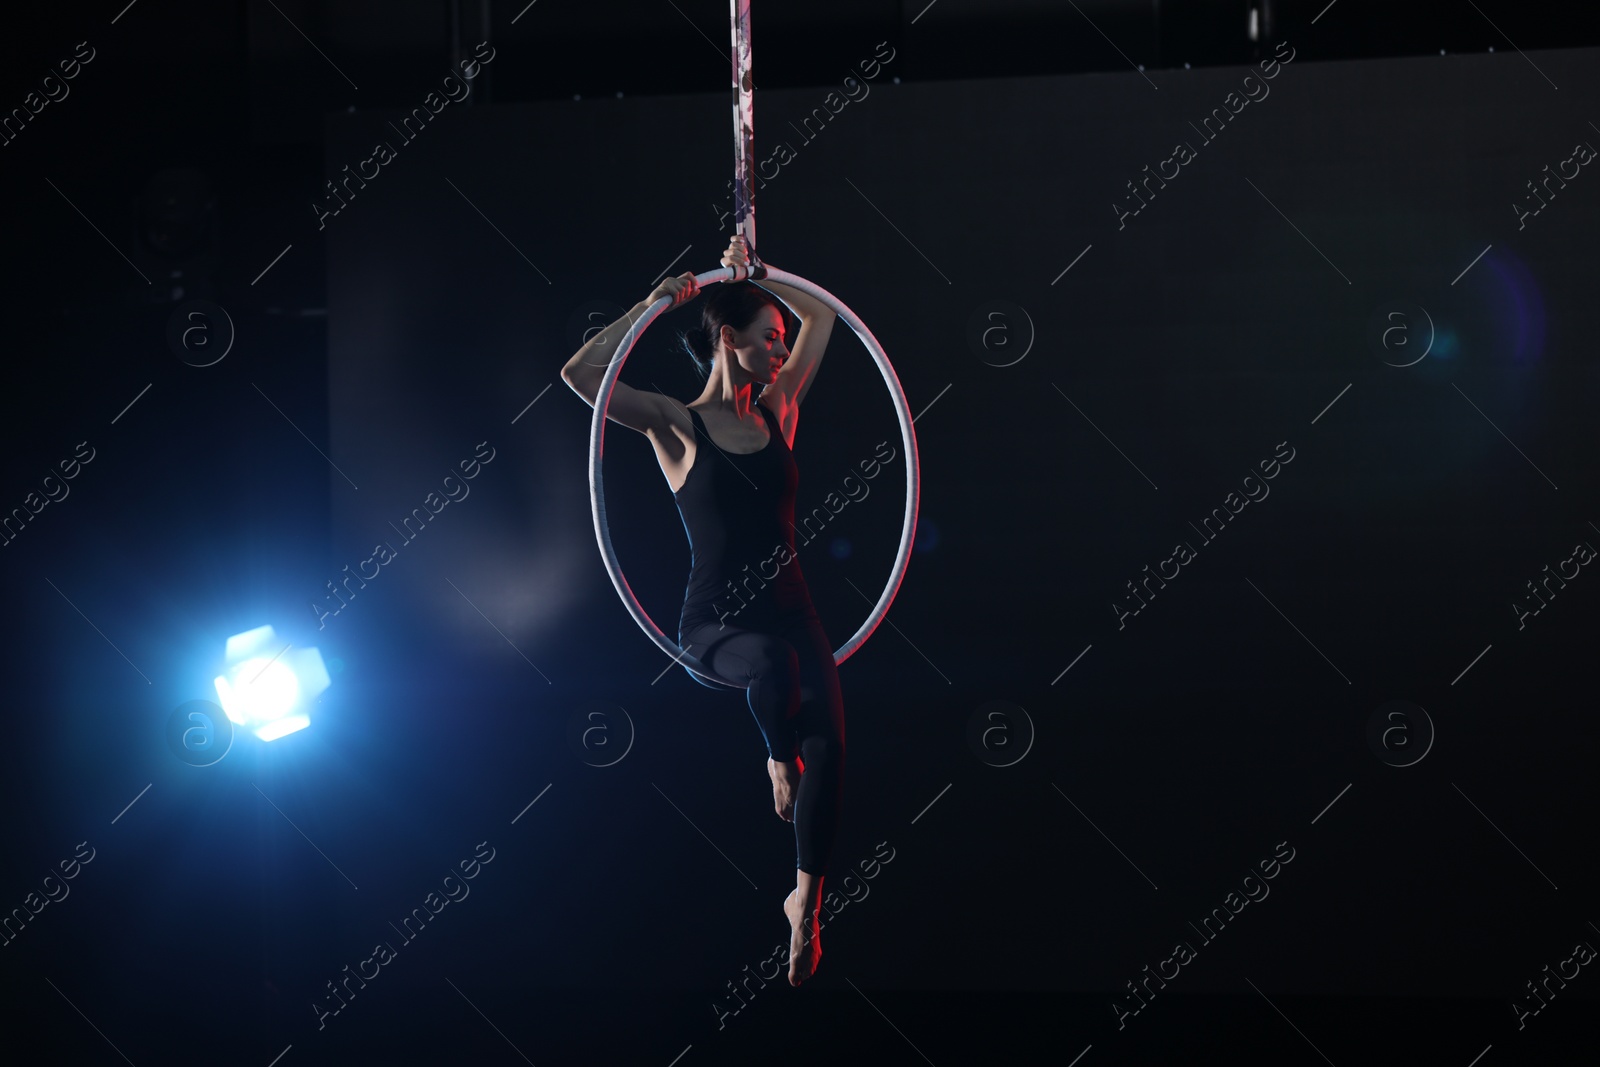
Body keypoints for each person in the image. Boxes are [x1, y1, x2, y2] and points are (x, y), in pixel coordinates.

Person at [559, 235, 843, 985]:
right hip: (716, 626)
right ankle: (777, 757)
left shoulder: (780, 408)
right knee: (775, 673)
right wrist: (657, 303)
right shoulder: (675, 424)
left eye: (782, 342)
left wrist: (761, 273)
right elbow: (580, 374)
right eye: (769, 340)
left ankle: (805, 905)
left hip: (794, 610)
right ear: (728, 340)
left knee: (836, 749)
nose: (782, 352)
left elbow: (828, 320)